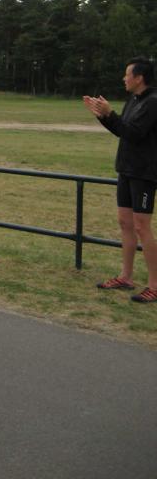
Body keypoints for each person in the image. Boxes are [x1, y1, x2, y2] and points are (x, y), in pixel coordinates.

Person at [83, 56, 157, 303]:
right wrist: (102, 116)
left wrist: (110, 113)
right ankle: (125, 277)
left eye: (127, 74)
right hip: (126, 170)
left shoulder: (153, 102)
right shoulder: (133, 100)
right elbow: (121, 130)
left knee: (142, 227)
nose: (123, 78)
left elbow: (134, 133)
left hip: (144, 173)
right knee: (125, 223)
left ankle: (155, 285)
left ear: (139, 78)